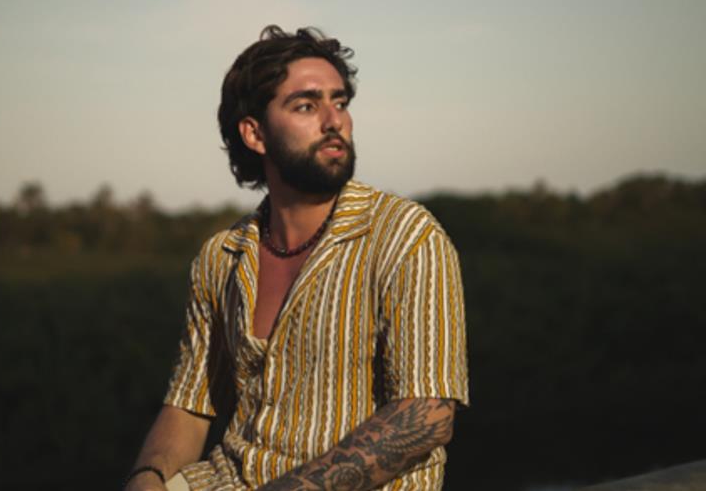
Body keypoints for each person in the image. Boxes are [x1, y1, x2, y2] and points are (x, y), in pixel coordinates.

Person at [125, 25, 469, 491]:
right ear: (255, 134)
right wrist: (148, 477)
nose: (334, 121)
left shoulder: (406, 235)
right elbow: (189, 405)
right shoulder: (222, 256)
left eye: (340, 102)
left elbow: (427, 415)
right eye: (306, 105)